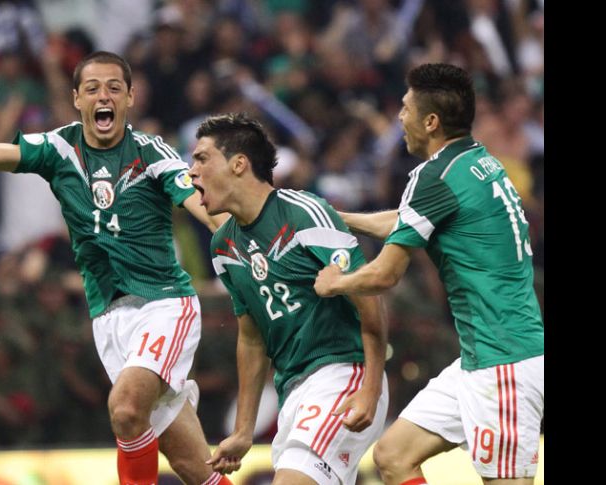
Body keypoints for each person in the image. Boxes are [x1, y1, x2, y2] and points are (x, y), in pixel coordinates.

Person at [0, 51, 234, 485]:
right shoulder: (58, 148)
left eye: (114, 87)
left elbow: (199, 202)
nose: (104, 96)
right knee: (194, 467)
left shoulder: (152, 152)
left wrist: (232, 232)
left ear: (130, 97)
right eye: (93, 88)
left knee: (126, 407)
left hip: (163, 304)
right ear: (77, 98)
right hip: (108, 318)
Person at [314, 63, 544, 485]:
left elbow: (385, 275)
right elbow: (408, 221)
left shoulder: (434, 176)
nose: (399, 118)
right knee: (393, 455)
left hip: (504, 363)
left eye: (405, 109)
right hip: (483, 357)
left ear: (431, 121)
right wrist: (339, 218)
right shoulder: (478, 163)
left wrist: (336, 284)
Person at [188, 113, 389, 485]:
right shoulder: (223, 247)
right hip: (292, 391)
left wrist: (371, 388)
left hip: (344, 374)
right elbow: (251, 337)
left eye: (201, 159)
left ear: (238, 164)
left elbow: (369, 299)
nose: (192, 172)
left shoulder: (304, 212)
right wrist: (244, 429)